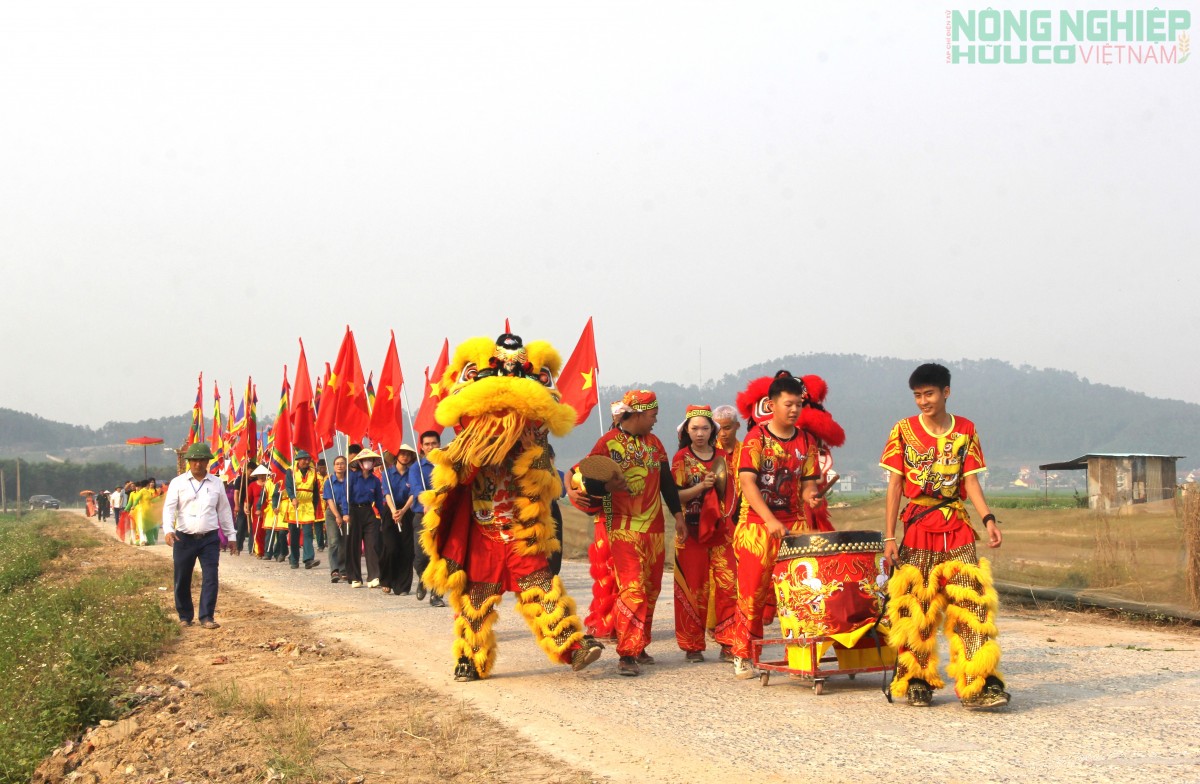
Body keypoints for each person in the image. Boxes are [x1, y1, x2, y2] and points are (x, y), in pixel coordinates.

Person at [417, 333, 603, 681]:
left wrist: (531, 448)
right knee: (475, 603)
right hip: (484, 534)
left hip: (520, 533)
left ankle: (573, 647)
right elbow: (458, 478)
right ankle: (469, 660)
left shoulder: (533, 441)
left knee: (544, 591)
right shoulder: (468, 441)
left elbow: (547, 484)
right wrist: (479, 452)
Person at [881, 362, 1010, 710]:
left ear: (946, 392)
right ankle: (917, 680)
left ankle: (979, 682)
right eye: (917, 395)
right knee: (917, 607)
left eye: (929, 394)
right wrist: (890, 537)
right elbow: (895, 486)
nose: (923, 401)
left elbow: (970, 480)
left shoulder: (966, 429)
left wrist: (988, 519)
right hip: (918, 526)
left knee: (972, 603)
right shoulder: (903, 430)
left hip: (957, 526)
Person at [582, 389, 685, 677]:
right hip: (623, 529)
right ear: (637, 414)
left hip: (654, 529)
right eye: (652, 415)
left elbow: (666, 483)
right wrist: (606, 487)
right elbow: (590, 480)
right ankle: (627, 653)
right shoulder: (607, 442)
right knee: (633, 589)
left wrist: (678, 516)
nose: (655, 420)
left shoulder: (655, 444)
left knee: (651, 590)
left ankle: (639, 645)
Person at [730, 371, 821, 679]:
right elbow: (747, 483)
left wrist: (811, 497)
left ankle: (798, 655)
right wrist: (769, 519)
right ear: (771, 405)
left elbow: (808, 483)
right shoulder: (756, 438)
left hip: (794, 524)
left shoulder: (806, 440)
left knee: (798, 591)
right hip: (757, 524)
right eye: (788, 404)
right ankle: (743, 653)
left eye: (798, 405)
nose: (794, 410)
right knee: (752, 592)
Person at [671, 405, 738, 663]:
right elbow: (675, 496)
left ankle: (728, 642)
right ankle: (692, 645)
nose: (700, 433)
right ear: (686, 431)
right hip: (690, 531)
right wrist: (701, 487)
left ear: (713, 430)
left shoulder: (723, 457)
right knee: (693, 588)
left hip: (721, 532)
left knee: (728, 585)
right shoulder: (681, 458)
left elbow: (731, 493)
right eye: (695, 428)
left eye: (705, 428)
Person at [161, 443, 236, 629]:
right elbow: (169, 508)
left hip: (209, 538)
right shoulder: (178, 483)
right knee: (182, 577)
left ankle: (207, 616)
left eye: (202, 460)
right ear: (188, 462)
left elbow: (224, 510)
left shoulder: (216, 483)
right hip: (183, 538)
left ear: (207, 461)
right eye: (194, 460)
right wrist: (168, 530)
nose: (198, 464)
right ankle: (185, 616)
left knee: (211, 577)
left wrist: (231, 536)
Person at [408, 431, 445, 607]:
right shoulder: (416, 468)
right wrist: (427, 500)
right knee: (420, 556)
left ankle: (436, 594)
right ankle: (423, 579)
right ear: (422, 447)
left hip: (443, 516)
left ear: (439, 444)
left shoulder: (446, 465)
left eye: (433, 443)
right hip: (422, 516)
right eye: (427, 444)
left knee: (441, 557)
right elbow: (416, 488)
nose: (430, 447)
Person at [344, 448, 387, 588]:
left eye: (370, 460)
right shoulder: (351, 477)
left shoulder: (375, 480)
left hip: (369, 512)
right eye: (364, 460)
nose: (367, 462)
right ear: (359, 462)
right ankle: (355, 577)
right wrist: (345, 513)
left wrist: (383, 516)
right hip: (353, 511)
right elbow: (345, 497)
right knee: (354, 545)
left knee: (373, 544)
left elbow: (379, 500)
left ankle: (374, 576)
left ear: (374, 462)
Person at [381, 446, 416, 595]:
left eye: (408, 454)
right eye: (402, 454)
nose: (405, 456)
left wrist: (403, 511)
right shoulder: (387, 473)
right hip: (391, 510)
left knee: (407, 549)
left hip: (407, 511)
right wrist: (394, 511)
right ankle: (387, 579)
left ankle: (403, 585)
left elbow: (414, 493)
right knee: (391, 548)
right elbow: (386, 493)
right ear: (396, 456)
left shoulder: (413, 473)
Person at [284, 450, 322, 570]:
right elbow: (288, 486)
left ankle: (308, 559)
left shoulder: (313, 472)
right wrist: (292, 497)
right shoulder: (290, 471)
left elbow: (315, 490)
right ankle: (294, 559)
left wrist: (315, 505)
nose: (306, 461)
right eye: (304, 459)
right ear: (298, 460)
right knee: (294, 534)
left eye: (308, 459)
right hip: (294, 505)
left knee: (308, 533)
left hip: (308, 505)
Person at [322, 455, 348, 583]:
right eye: (337, 464)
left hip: (347, 512)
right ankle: (334, 570)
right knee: (333, 541)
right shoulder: (329, 482)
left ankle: (343, 569)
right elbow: (329, 500)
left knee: (344, 541)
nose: (340, 466)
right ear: (333, 466)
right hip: (333, 512)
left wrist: (346, 514)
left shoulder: (349, 481)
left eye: (342, 463)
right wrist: (337, 515)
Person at [313, 458, 329, 552]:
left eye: (324, 467)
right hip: (317, 502)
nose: (322, 469)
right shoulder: (315, 477)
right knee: (318, 526)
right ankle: (320, 545)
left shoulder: (330, 477)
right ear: (318, 468)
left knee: (329, 523)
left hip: (328, 502)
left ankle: (328, 541)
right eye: (320, 467)